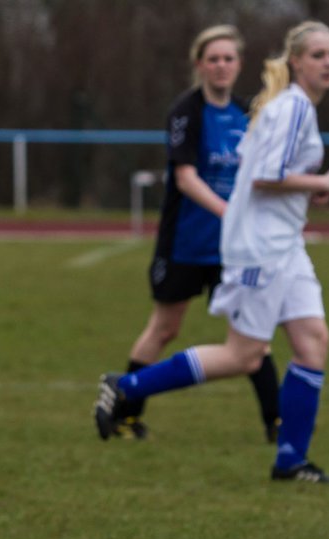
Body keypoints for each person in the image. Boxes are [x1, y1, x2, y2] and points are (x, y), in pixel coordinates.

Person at [95, 20, 329, 484]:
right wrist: (322, 182)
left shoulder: (287, 107)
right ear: (297, 61)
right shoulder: (293, 109)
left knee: (313, 343)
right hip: (260, 250)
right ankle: (125, 387)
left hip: (286, 246)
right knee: (243, 356)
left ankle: (291, 462)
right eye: (320, 55)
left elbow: (256, 174)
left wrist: (310, 192)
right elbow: (266, 175)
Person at [111, 24, 281, 441]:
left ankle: (276, 426)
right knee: (165, 329)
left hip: (232, 249)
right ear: (199, 65)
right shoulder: (186, 112)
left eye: (228, 58)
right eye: (213, 59)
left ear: (239, 65)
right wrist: (230, 211)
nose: (221, 66)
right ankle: (125, 414)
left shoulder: (246, 114)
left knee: (255, 337)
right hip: (186, 243)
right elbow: (185, 179)